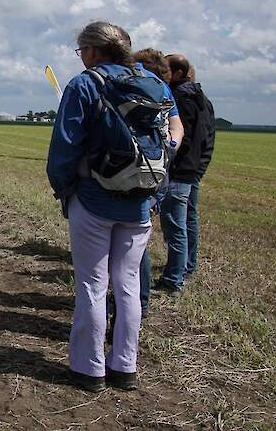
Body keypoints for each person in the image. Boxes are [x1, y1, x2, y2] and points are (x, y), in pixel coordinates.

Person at [47, 21, 167, 393]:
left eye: (82, 50)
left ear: (95, 51)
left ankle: (89, 369)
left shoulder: (85, 84)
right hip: (139, 204)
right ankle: (125, 367)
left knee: (92, 285)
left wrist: (66, 192)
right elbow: (166, 143)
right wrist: (153, 199)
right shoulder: (156, 84)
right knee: (128, 285)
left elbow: (64, 148)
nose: (81, 58)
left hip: (94, 200)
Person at [129, 48, 183, 317]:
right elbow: (177, 128)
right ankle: (139, 303)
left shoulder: (138, 89)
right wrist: (168, 148)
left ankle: (137, 303)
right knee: (139, 241)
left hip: (139, 175)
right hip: (158, 174)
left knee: (135, 248)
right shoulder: (163, 91)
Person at [154, 55, 214, 295]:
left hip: (179, 171)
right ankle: (186, 266)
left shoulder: (180, 98)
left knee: (174, 224)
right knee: (188, 220)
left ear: (178, 73)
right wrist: (199, 167)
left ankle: (173, 278)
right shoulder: (201, 98)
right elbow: (208, 138)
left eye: (166, 70)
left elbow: (182, 139)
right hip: (192, 170)